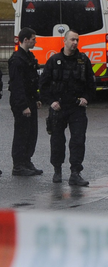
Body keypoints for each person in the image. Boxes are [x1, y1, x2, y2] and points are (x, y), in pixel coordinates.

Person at [39, 30, 95, 186]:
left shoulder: (83, 61)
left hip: (76, 108)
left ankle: (75, 172)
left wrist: (86, 98)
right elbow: (43, 85)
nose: (75, 43)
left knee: (78, 140)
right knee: (57, 140)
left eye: (77, 40)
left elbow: (91, 84)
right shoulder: (54, 61)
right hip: (58, 107)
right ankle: (57, 170)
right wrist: (51, 102)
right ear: (64, 41)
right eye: (72, 40)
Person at [8, 28, 43, 176]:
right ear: (25, 40)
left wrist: (36, 98)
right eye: (33, 39)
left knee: (31, 132)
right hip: (22, 102)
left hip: (30, 99)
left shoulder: (29, 56)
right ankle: (18, 164)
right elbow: (17, 85)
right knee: (22, 133)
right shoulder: (17, 60)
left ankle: (27, 160)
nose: (35, 41)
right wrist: (23, 106)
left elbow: (32, 80)